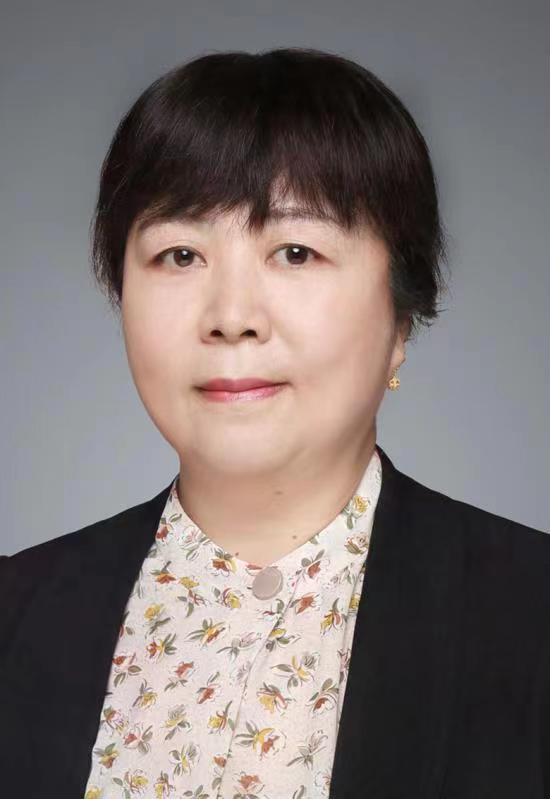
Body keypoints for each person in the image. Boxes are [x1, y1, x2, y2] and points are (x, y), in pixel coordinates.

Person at [1, 47, 549, 799]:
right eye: (179, 254)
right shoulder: (16, 614)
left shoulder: (529, 615)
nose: (232, 317)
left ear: (402, 316)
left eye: (295, 251)